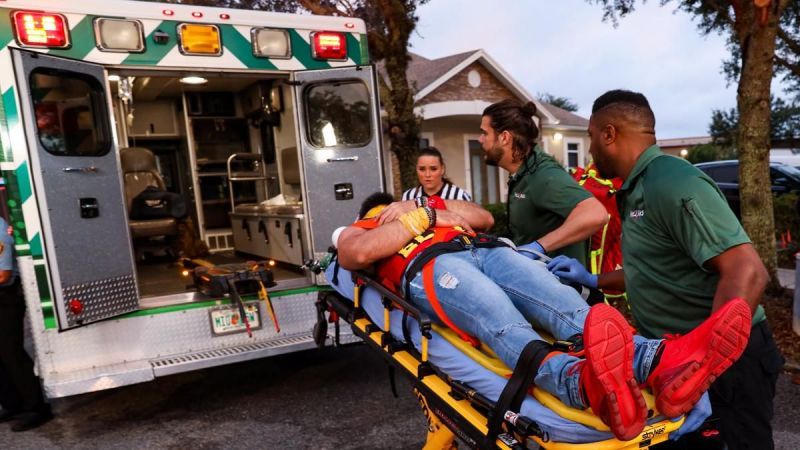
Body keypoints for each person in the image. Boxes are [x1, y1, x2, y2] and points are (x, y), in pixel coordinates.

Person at [336, 192, 752, 441]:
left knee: (567, 306)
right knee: (499, 320)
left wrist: (426, 206)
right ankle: (579, 384)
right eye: (386, 206)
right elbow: (357, 254)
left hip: (488, 249)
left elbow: (481, 219)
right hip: (429, 266)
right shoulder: (365, 227)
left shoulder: (430, 207)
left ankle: (658, 364)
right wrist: (419, 217)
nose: (393, 207)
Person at [549, 89, 784, 450]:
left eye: (593, 138)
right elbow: (652, 269)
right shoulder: (637, 189)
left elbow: (747, 270)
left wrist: (703, 365)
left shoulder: (672, 180)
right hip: (675, 362)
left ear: (609, 134)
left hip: (724, 364)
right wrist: (592, 279)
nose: (591, 150)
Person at [479, 99, 607, 266]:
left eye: (485, 133)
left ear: (504, 137)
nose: (480, 139)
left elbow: (596, 214)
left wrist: (538, 247)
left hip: (559, 288)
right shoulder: (522, 172)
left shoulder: (544, 174)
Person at [0, 217, 52, 431]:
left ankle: (37, 408)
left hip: (5, 298)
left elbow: (3, 275)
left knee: (11, 352)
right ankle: (13, 404)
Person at [401, 147, 472, 202]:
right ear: (416, 169)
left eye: (433, 169)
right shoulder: (408, 196)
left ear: (442, 169)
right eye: (422, 169)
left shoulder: (459, 196)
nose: (427, 174)